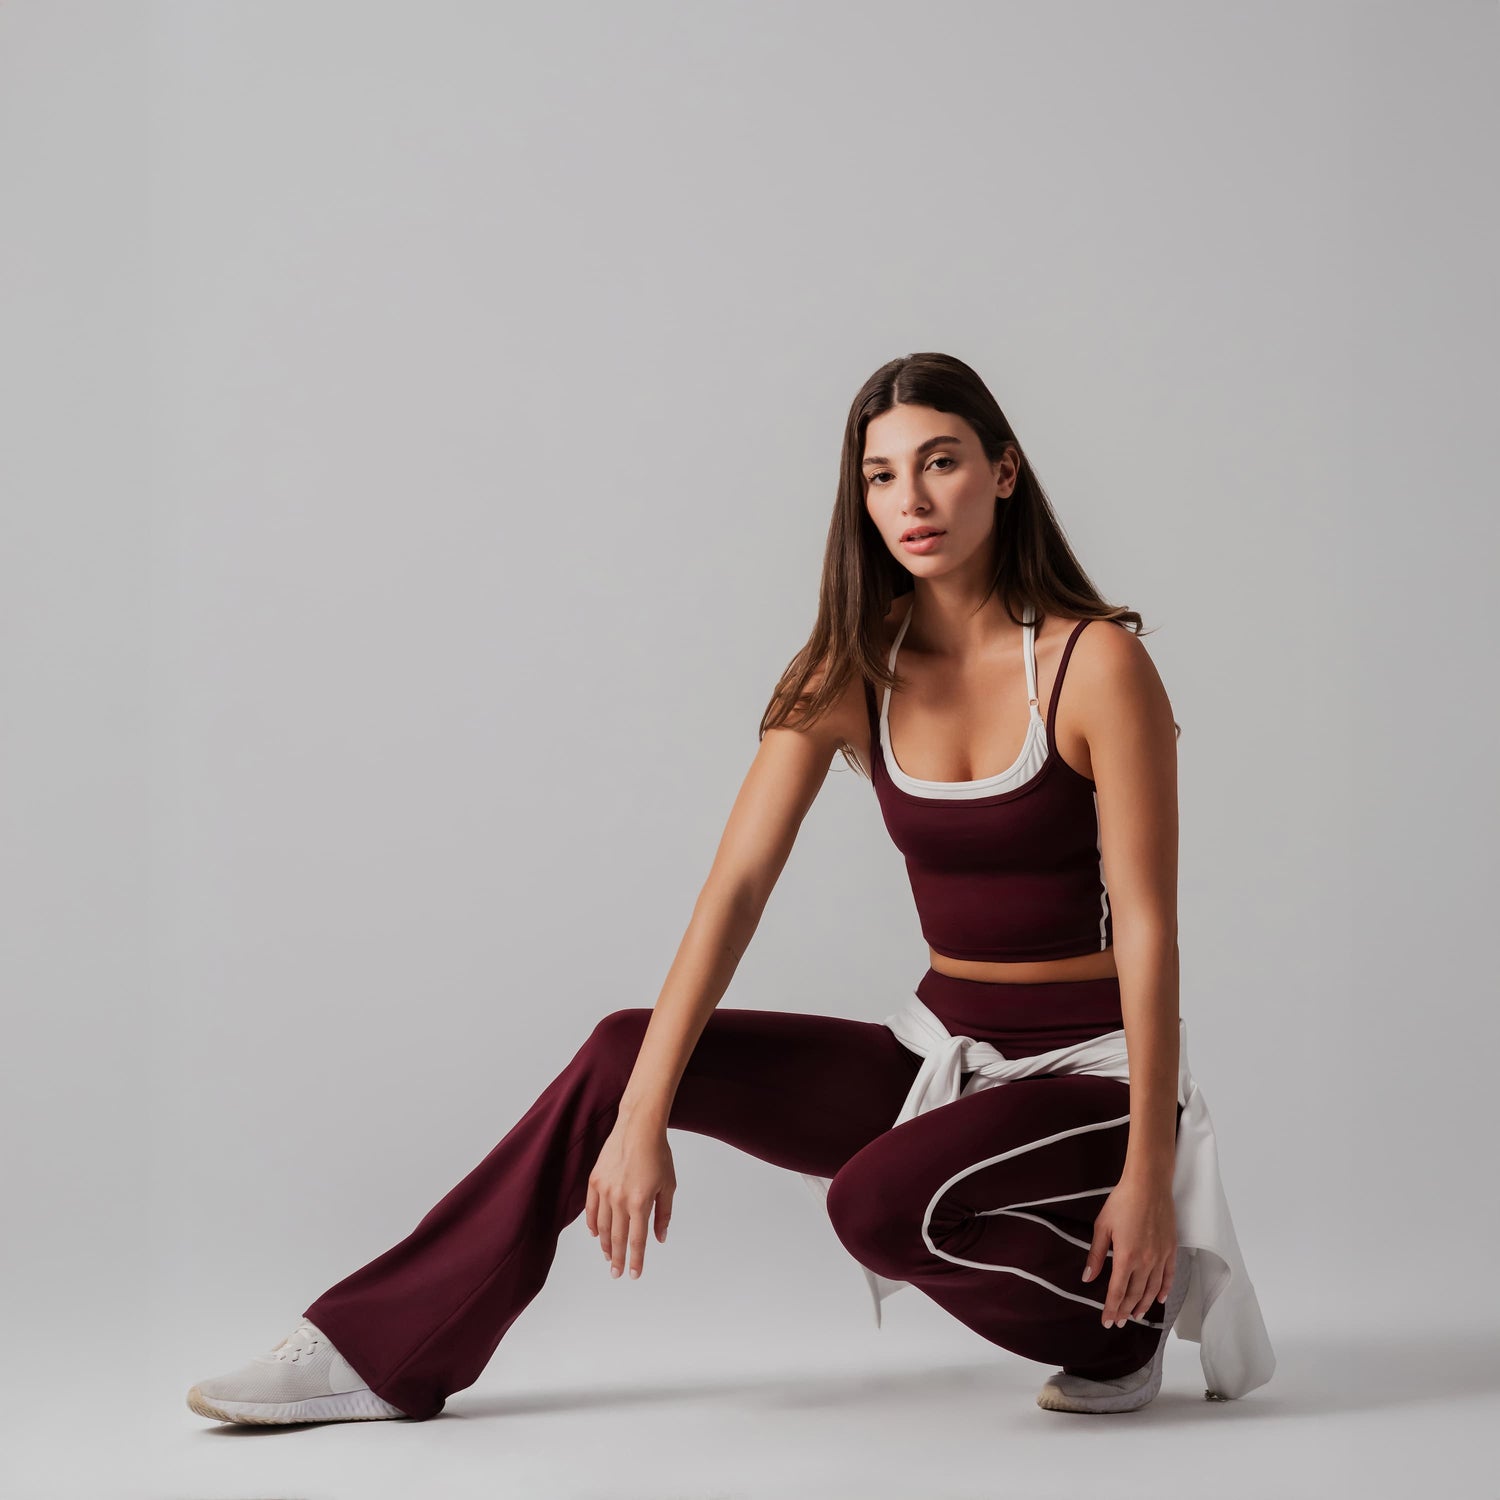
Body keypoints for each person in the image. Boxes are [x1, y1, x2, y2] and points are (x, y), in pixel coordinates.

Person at [187, 351, 1273, 1426]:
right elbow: (739, 886)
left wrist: (1147, 1168)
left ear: (1002, 471)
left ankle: (1119, 1329)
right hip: (941, 1049)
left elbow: (1147, 923)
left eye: (939, 462)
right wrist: (642, 1117)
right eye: (882, 475)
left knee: (877, 1204)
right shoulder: (847, 666)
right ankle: (375, 1351)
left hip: (1094, 1068)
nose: (911, 499)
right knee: (626, 1048)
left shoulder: (1096, 666)